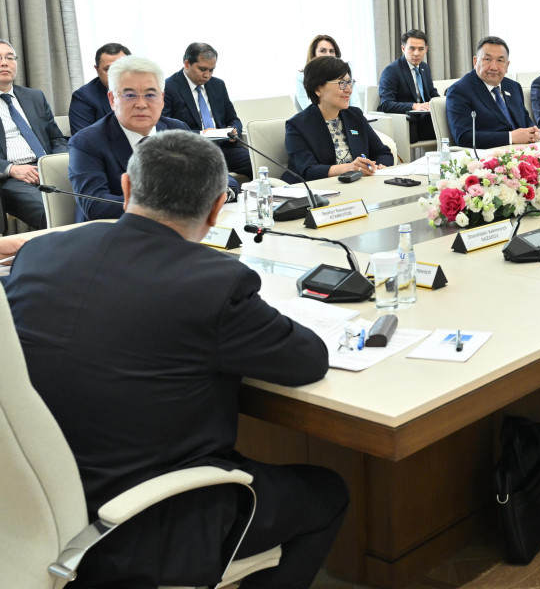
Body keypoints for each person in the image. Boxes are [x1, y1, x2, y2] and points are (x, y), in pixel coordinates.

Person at [7, 130, 347, 588]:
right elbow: (307, 360)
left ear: (126, 187)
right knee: (326, 492)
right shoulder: (215, 282)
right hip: (139, 527)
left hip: (29, 506)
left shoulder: (42, 251)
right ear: (217, 207)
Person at [67, 55, 192, 222]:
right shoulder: (87, 141)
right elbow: (94, 205)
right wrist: (163, 203)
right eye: (130, 95)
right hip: (114, 231)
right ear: (112, 99)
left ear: (162, 99)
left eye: (150, 95)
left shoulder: (178, 130)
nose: (141, 104)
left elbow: (209, 179)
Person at [285, 57, 394, 180]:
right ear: (318, 89)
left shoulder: (355, 115)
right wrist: (349, 168)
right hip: (319, 189)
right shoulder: (297, 125)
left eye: (349, 83)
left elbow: (383, 152)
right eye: (342, 83)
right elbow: (308, 170)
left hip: (359, 185)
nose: (349, 90)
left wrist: (380, 166)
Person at [0, 39, 69, 229]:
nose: (4, 63)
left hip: (47, 169)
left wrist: (56, 163)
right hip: (12, 178)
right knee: (53, 213)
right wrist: (11, 169)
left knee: (93, 201)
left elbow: (56, 138)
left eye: (9, 57)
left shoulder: (34, 96)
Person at [164, 42, 252, 176]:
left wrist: (234, 130)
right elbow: (165, 129)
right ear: (187, 64)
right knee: (221, 179)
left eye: (211, 70)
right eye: (202, 69)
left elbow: (233, 119)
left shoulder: (218, 85)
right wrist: (202, 135)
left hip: (223, 147)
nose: (207, 75)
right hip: (192, 151)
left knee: (258, 164)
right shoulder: (169, 87)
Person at [445, 36, 540, 148]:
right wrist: (510, 137)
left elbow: (525, 120)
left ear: (507, 65)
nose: (494, 67)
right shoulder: (459, 91)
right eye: (487, 59)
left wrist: (534, 132)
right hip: (489, 154)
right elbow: (463, 137)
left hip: (524, 150)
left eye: (500, 60)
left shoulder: (514, 87)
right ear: (475, 61)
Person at [377, 28, 439, 141]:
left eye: (421, 49)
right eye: (412, 48)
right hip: (406, 121)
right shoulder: (391, 71)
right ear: (403, 48)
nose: (416, 53)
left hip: (425, 118)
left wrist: (442, 103)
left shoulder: (424, 67)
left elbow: (431, 92)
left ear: (426, 49)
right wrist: (414, 106)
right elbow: (386, 104)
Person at [69, 42, 129, 134]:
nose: (115, 74)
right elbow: (83, 139)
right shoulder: (84, 97)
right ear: (97, 70)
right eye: (108, 69)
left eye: (121, 68)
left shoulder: (147, 90)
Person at [295, 35, 364, 111]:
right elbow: (309, 109)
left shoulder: (345, 75)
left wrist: (351, 116)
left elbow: (356, 106)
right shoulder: (302, 76)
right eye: (323, 51)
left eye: (331, 51)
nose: (328, 55)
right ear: (313, 55)